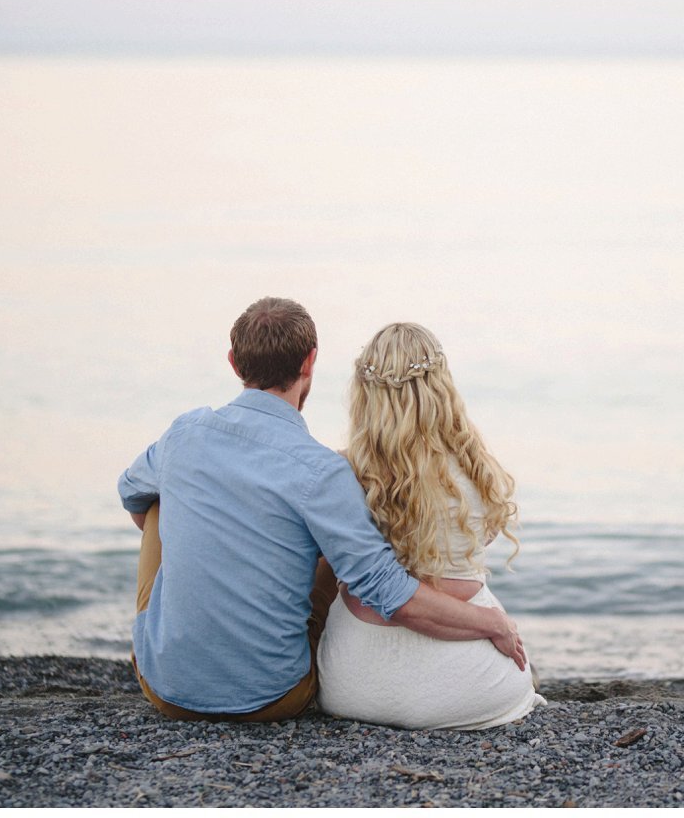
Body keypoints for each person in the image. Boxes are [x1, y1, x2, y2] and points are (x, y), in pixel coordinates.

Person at [117, 297, 526, 722]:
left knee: (157, 503)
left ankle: (180, 640)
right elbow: (387, 590)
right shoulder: (319, 470)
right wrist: (491, 622)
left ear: (234, 363)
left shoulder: (185, 433)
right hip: (274, 697)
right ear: (310, 363)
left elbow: (129, 494)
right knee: (331, 531)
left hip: (164, 688)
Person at [316, 322, 545, 730]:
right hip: (469, 686)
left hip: (355, 683)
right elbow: (484, 538)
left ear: (365, 393)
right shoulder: (476, 471)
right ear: (441, 387)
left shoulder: (344, 473)